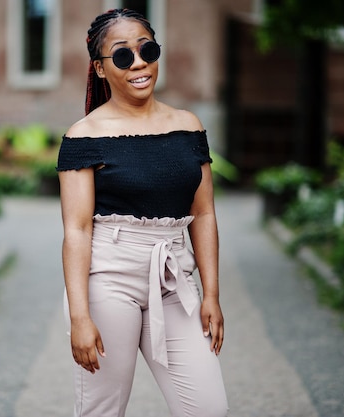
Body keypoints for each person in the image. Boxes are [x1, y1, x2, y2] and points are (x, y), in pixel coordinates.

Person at [56, 8, 228, 417]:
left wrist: (213, 294)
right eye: (121, 55)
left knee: (208, 408)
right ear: (99, 69)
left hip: (173, 278)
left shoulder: (188, 126)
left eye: (146, 49)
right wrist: (80, 316)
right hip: (109, 278)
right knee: (103, 410)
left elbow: (203, 215)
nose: (138, 63)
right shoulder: (84, 136)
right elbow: (77, 231)